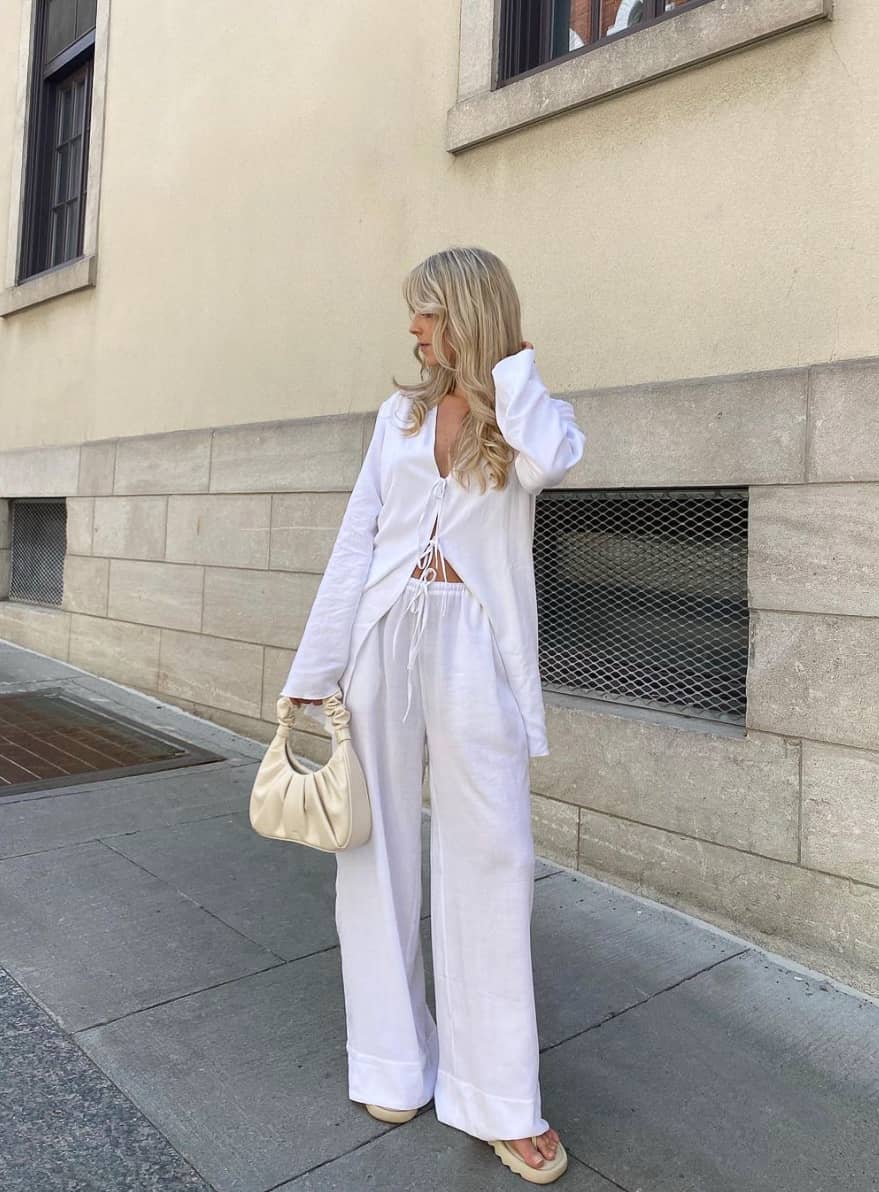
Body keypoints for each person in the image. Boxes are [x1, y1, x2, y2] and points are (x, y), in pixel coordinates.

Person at [280, 246, 585, 1184]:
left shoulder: (529, 416)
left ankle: (498, 1095)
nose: (413, 330)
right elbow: (355, 541)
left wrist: (512, 366)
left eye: (427, 312)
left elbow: (554, 461)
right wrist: (311, 670)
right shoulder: (398, 415)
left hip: (472, 645)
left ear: (466, 316)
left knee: (491, 852)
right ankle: (389, 1058)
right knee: (372, 850)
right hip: (382, 637)